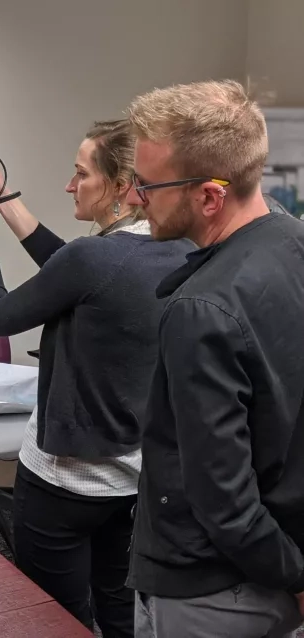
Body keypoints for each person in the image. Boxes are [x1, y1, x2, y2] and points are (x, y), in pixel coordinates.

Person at [0, 120, 192, 637]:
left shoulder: (94, 257)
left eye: (80, 174)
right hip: (137, 481)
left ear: (122, 187)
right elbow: (75, 268)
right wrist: (3, 200)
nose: (69, 186)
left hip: (61, 485)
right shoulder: (180, 249)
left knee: (52, 617)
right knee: (121, 611)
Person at [124, 79, 304, 638]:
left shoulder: (202, 310)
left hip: (215, 593)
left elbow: (223, 502)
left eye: (146, 185)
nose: (133, 199)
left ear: (209, 196)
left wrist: (297, 580)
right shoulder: (294, 242)